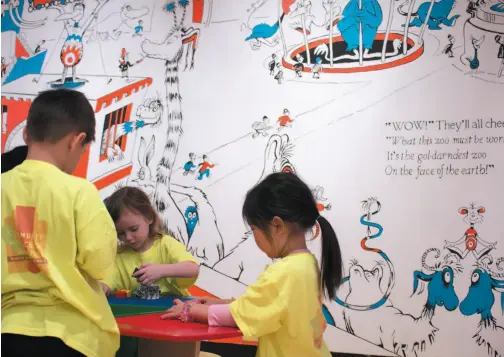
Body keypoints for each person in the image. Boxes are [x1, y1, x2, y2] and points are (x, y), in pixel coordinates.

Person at [161, 172, 344, 357]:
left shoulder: (284, 272)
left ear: (277, 226)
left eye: (254, 229)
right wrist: (220, 303)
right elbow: (273, 308)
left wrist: (189, 309)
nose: (254, 236)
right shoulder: (307, 264)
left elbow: (238, 316)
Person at [1, 89, 120, 357]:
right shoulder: (79, 191)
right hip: (73, 336)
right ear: (75, 141)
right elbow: (99, 263)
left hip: (7, 330)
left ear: (26, 134)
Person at [100, 186, 200, 297]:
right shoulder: (119, 255)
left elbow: (193, 268)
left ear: (149, 217)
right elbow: (108, 282)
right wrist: (103, 288)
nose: (128, 237)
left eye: (134, 229)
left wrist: (161, 271)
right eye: (121, 233)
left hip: (174, 309)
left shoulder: (166, 244)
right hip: (138, 312)